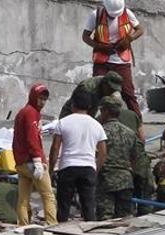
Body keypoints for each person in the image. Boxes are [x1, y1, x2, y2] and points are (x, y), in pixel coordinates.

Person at [49, 88, 107, 222]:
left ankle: (61, 234)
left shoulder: (63, 122)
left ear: (72, 104)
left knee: (63, 206)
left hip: (67, 168)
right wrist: (95, 170)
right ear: (90, 106)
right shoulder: (97, 125)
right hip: (88, 168)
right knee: (88, 206)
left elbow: (55, 149)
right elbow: (103, 153)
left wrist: (51, 170)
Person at [82, 0, 144, 117]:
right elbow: (85, 36)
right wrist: (98, 46)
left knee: (128, 93)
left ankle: (138, 123)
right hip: (102, 61)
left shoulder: (127, 13)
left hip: (121, 60)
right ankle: (89, 122)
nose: (114, 16)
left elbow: (140, 30)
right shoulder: (96, 15)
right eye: (111, 14)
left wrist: (129, 39)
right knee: (97, 92)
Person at [12, 83, 57, 226]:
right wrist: (38, 160)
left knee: (23, 199)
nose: (42, 102)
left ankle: (23, 225)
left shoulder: (24, 112)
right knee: (48, 195)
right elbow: (32, 138)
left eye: (44, 99)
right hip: (32, 161)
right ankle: (52, 224)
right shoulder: (31, 113)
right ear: (33, 97)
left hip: (21, 162)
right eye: (40, 98)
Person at [96, 96, 137, 220]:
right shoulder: (130, 133)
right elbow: (134, 158)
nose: (100, 113)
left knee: (105, 220)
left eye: (101, 110)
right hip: (126, 180)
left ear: (107, 111)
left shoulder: (101, 132)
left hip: (106, 180)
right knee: (125, 219)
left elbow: (97, 156)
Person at [59, 71, 123, 119]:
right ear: (104, 84)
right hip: (73, 111)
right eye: (110, 89)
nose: (112, 92)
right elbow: (80, 109)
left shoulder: (111, 91)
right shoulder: (87, 87)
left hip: (92, 110)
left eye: (114, 90)